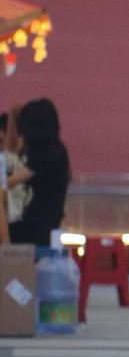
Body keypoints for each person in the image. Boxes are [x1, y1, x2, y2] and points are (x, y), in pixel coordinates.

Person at [6, 99, 70, 249]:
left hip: (37, 226)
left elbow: (10, 182)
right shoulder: (55, 148)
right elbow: (10, 150)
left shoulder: (48, 156)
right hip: (40, 221)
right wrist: (12, 117)